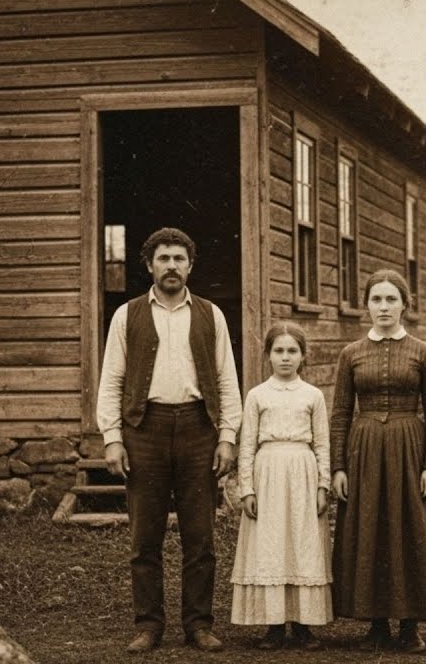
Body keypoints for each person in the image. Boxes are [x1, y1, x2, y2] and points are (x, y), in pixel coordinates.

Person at [96, 227, 242, 654]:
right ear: (149, 265)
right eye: (164, 259)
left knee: (201, 537)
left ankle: (198, 624)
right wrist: (112, 438)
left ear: (190, 266)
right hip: (145, 429)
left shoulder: (211, 315)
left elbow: (226, 380)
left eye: (180, 258)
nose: (172, 266)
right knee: (145, 538)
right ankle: (148, 626)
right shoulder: (127, 315)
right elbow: (112, 381)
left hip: (199, 429)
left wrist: (227, 437)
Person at [330, 269, 426, 653]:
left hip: (408, 449)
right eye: (376, 299)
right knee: (368, 529)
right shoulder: (350, 354)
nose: (383, 307)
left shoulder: (422, 352)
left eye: (391, 299)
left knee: (410, 530)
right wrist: (338, 466)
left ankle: (410, 625)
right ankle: (376, 625)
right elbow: (339, 414)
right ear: (366, 305)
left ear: (405, 304)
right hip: (364, 450)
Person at [230, 322, 332, 651]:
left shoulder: (313, 395)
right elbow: (246, 446)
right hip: (268, 473)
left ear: (303, 356)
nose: (285, 358)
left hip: (303, 472)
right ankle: (274, 625)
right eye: (279, 351)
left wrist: (322, 485)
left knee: (302, 543)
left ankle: (303, 625)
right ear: (268, 355)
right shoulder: (257, 395)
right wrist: (247, 488)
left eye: (292, 351)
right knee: (271, 543)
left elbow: (322, 445)